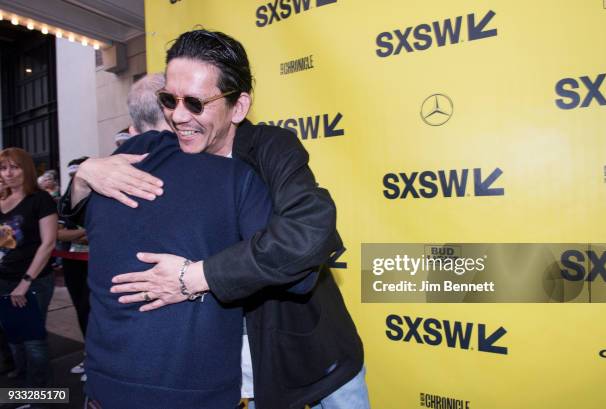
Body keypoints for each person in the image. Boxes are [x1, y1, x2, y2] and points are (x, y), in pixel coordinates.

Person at [61, 29, 368, 409]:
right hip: (238, 373)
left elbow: (308, 233)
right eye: (168, 100)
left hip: (311, 356)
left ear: (238, 107)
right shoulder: (168, 151)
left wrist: (192, 277)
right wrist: (83, 174)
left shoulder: (271, 148)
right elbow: (101, 210)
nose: (177, 115)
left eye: (194, 103)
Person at [0, 148, 58, 390]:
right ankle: (22, 378)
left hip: (32, 281)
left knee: (33, 340)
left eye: (15, 167)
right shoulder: (2, 200)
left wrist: (25, 283)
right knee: (13, 335)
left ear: (27, 169)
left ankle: (41, 396)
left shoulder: (40, 200)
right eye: (3, 168)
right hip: (4, 279)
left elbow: (48, 243)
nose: (9, 173)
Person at [56, 157, 90, 381]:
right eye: (71, 176)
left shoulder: (100, 197)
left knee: (96, 308)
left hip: (95, 261)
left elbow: (100, 232)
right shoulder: (63, 202)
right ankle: (89, 355)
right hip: (71, 260)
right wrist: (82, 233)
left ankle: (100, 358)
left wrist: (80, 233)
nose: (75, 180)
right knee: (80, 307)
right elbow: (58, 233)